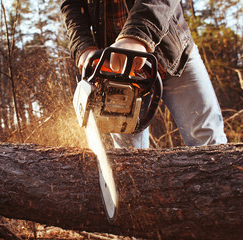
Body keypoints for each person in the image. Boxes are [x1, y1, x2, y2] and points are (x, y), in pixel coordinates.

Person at [61, 0, 227, 148]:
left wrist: (137, 35)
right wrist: (83, 47)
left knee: (208, 140)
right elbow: (72, 5)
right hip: (118, 67)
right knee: (128, 155)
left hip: (173, 54)